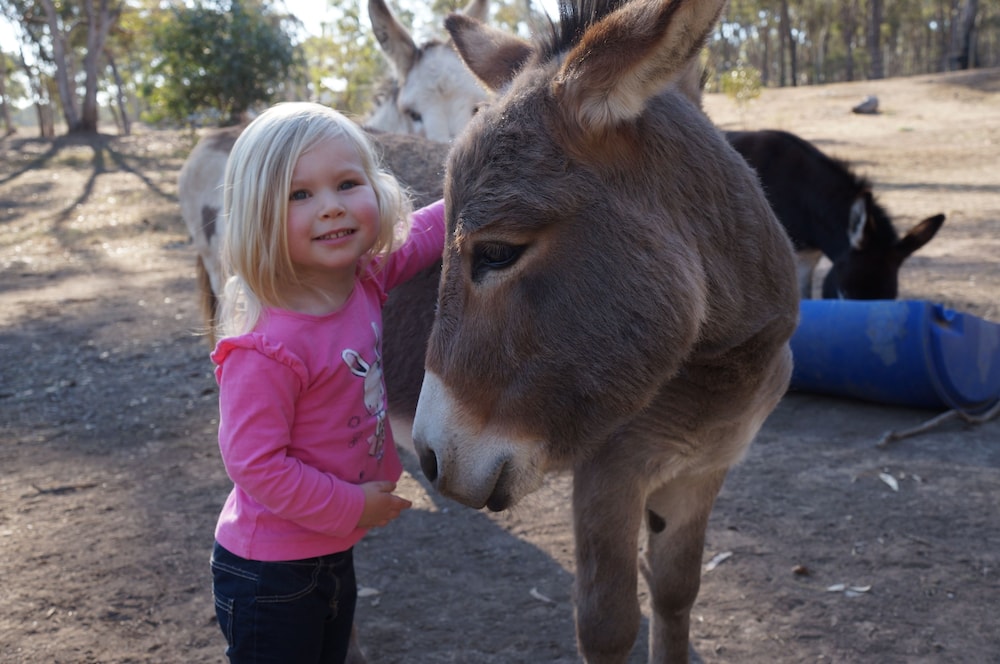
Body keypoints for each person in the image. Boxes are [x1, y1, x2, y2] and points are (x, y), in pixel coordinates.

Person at [208, 101, 445, 663]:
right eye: (300, 195)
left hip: (328, 550)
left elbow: (426, 234)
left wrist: (478, 182)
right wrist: (350, 506)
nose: (331, 208)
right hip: (269, 574)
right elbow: (254, 464)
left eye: (346, 183)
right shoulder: (266, 348)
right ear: (257, 215)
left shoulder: (360, 279)